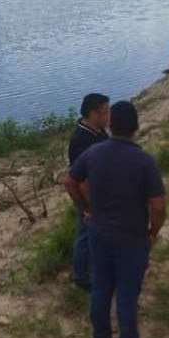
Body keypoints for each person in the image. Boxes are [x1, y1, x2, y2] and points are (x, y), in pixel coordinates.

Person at [64, 101, 166, 338]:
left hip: (98, 234)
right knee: (127, 293)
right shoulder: (144, 161)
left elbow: (69, 180)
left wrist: (86, 209)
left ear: (111, 124)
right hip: (131, 237)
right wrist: (153, 232)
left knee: (101, 288)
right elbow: (157, 205)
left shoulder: (94, 153)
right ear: (136, 127)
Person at [67, 93, 110, 290]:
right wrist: (88, 206)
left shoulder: (99, 131)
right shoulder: (81, 140)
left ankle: (95, 268)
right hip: (88, 195)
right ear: (93, 114)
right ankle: (81, 277)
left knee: (96, 234)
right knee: (86, 233)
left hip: (101, 192)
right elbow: (80, 179)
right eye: (105, 112)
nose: (108, 115)